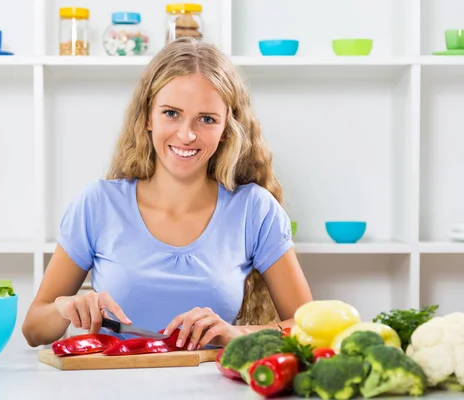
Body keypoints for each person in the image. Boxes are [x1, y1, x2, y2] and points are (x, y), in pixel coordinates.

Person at [22, 37, 313, 351]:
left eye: (206, 119)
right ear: (148, 116)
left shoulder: (254, 209)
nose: (186, 135)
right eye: (171, 113)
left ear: (226, 126)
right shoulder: (97, 204)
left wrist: (234, 334)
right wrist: (64, 308)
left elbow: (307, 327)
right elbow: (34, 329)